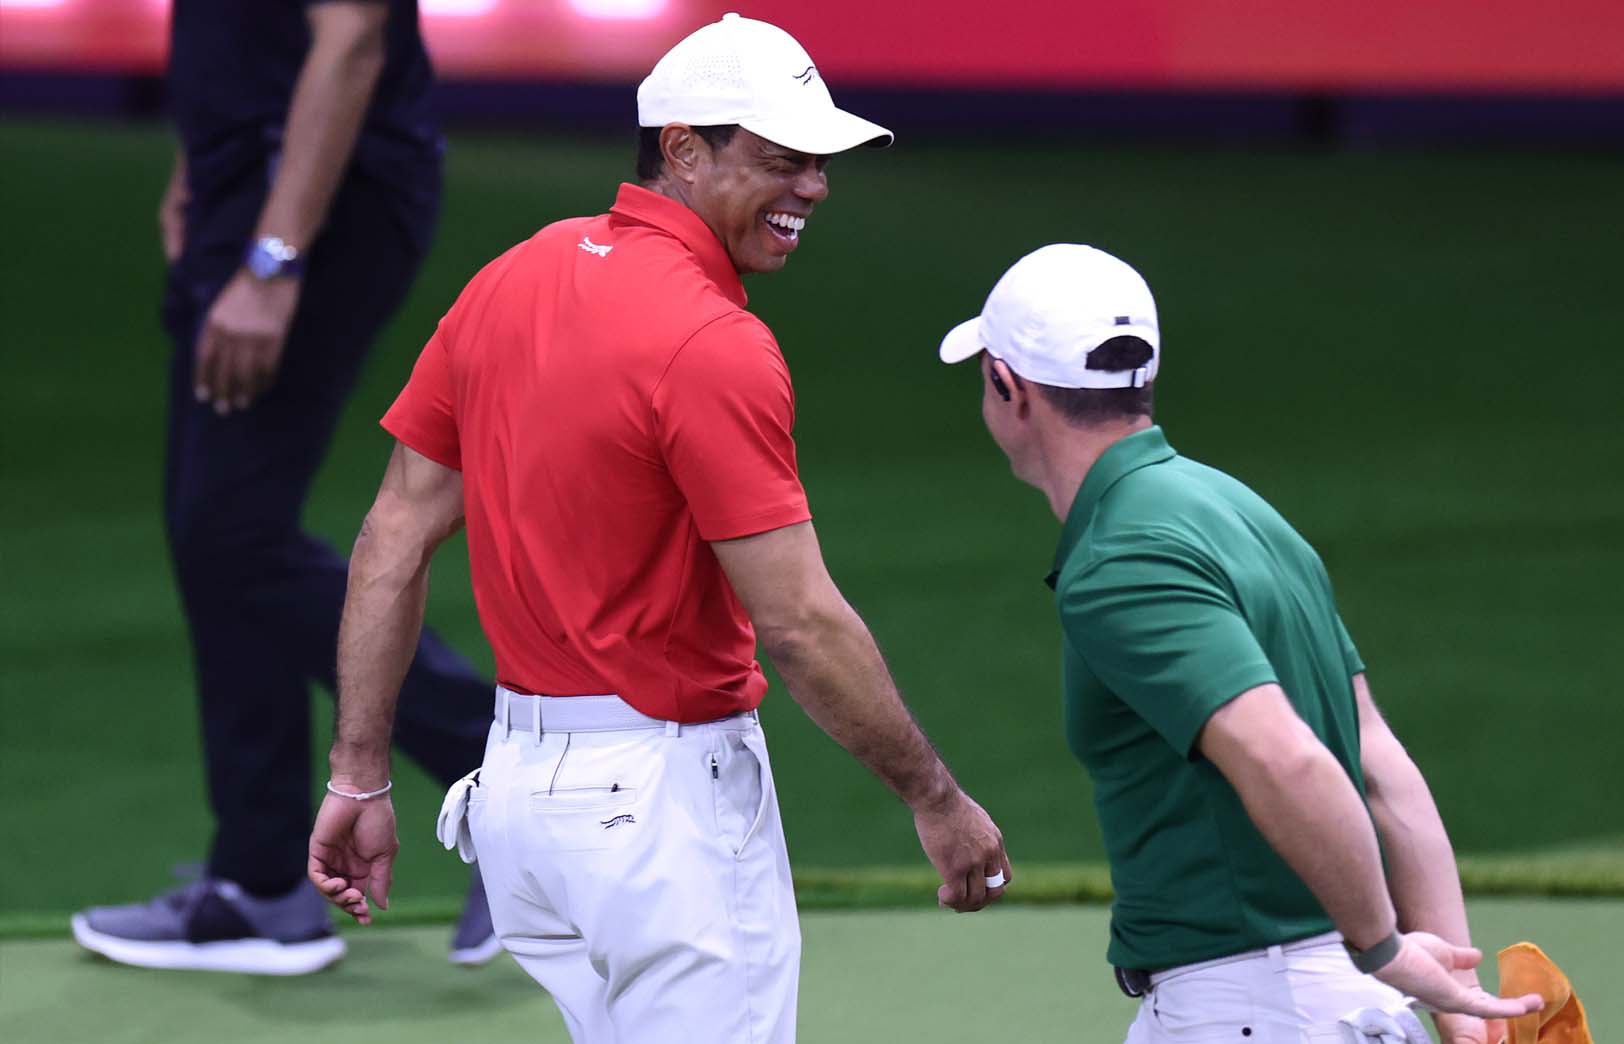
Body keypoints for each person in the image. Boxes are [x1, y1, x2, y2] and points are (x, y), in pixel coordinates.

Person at [306, 14, 1011, 1043]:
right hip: (658, 815)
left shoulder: (512, 279)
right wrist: (935, 797)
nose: (811, 185)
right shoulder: (713, 342)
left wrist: (358, 773)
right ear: (683, 148)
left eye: (816, 161)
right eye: (779, 158)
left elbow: (394, 534)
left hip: (516, 807)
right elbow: (801, 625)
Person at [936, 244, 1543, 1044]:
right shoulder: (1242, 511)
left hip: (1258, 1009)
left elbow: (1283, 757)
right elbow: (1377, 758)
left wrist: (1385, 948)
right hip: (1298, 1004)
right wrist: (1455, 994)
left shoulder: (1122, 556)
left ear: (1007, 387)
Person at [70, 0, 497, 975]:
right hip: (250, 191)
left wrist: (272, 256)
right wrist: (199, 168)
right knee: (212, 530)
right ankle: (260, 882)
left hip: (316, 200)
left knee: (231, 533)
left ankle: (496, 772)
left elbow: (350, 38)